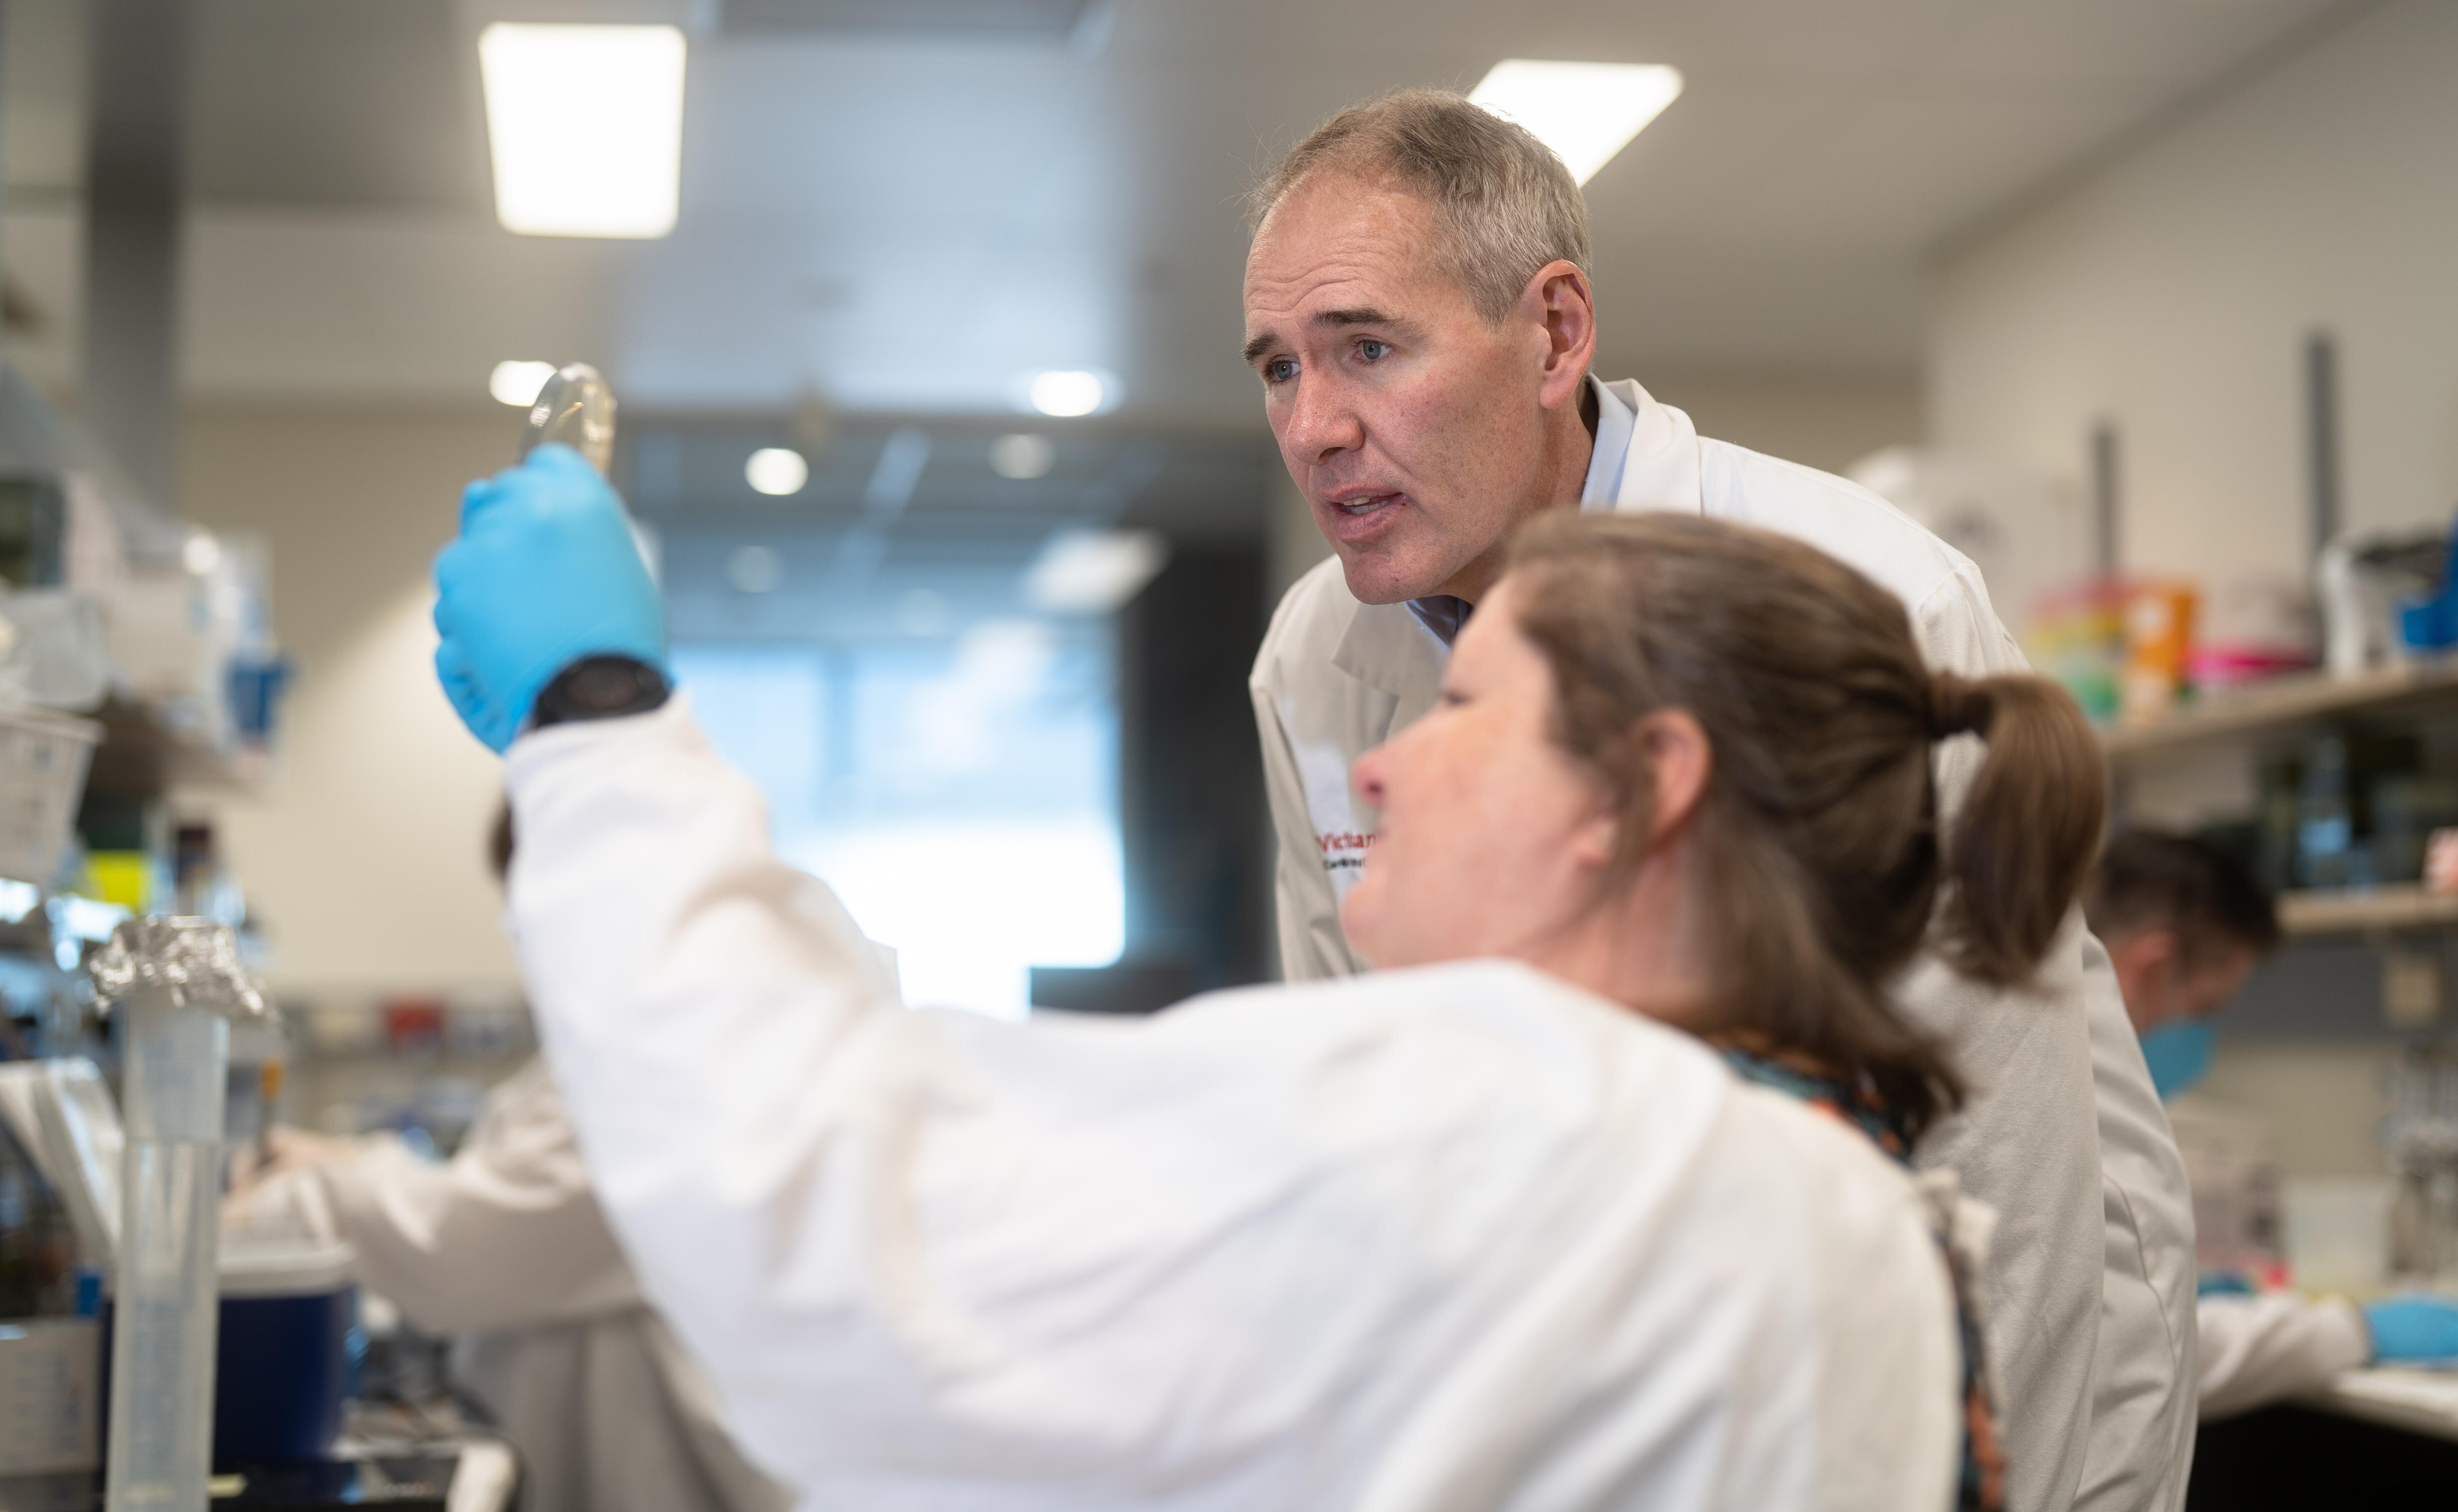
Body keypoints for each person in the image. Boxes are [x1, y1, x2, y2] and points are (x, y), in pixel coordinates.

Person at [430, 445, 2109, 1508]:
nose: (1381, 772)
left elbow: (828, 1194)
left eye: (1463, 717)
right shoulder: (1819, 1187)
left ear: (1642, 787)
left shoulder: (1544, 1128)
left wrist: (600, 719)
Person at [1241, 88, 2193, 1511]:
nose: (1314, 425)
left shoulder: (1863, 592)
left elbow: (2006, 1175)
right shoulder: (1316, 656)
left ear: (1555, 332)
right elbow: (1370, 1096)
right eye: (1275, 368)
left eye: (1368, 348)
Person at [225, 808, 793, 1512]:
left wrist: (276, 1204)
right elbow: (513, 1191)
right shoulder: (646, 1028)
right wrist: (342, 1158)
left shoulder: (675, 1052)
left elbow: (464, 1252)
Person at [2086, 828, 2458, 1421]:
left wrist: (2177, 1294)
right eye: (2207, 1009)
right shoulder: (2065, 1124)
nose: (2206, 1036)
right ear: (2150, 970)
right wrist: (2356, 1331)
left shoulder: (2068, 1099)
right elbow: (2132, 1361)